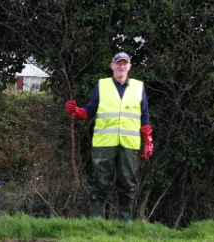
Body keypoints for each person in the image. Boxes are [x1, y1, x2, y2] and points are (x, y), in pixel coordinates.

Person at [64, 52, 153, 223]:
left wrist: (148, 142)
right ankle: (95, 221)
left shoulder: (138, 88)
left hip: (130, 145)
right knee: (100, 184)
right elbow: (89, 110)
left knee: (127, 185)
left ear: (129, 66)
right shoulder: (102, 86)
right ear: (112, 66)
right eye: (118, 63)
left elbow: (145, 117)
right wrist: (76, 112)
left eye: (124, 63)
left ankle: (125, 223)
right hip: (104, 145)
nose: (121, 66)